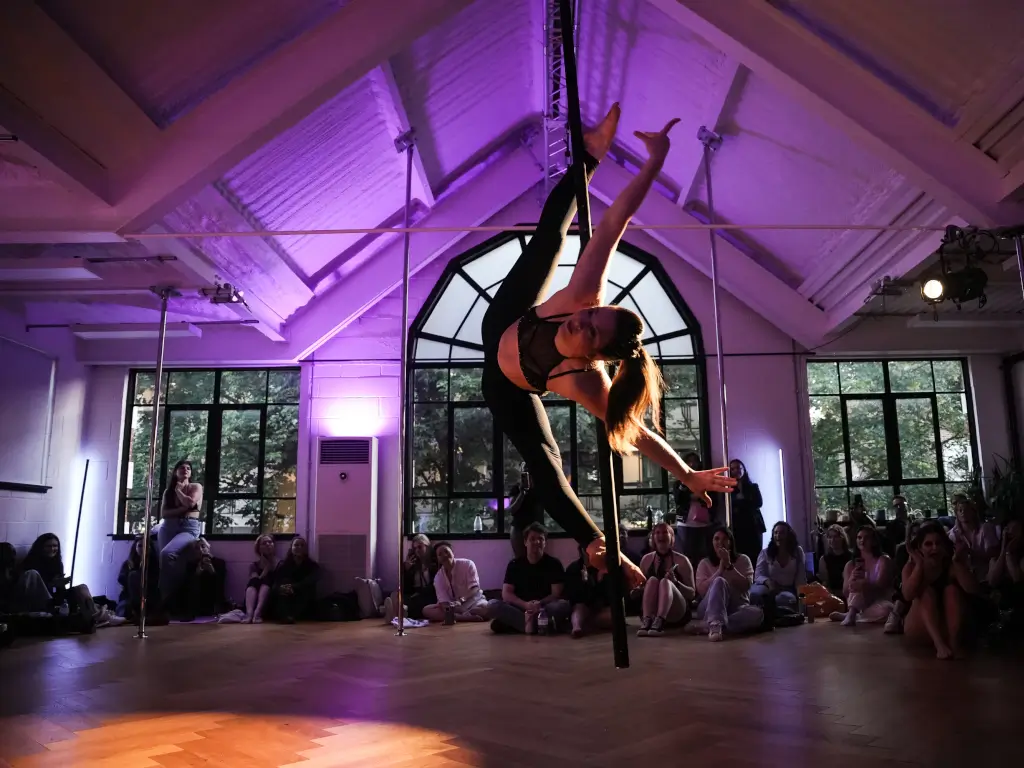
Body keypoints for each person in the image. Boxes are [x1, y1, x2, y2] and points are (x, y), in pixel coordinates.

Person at [479, 104, 735, 587]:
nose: (583, 321)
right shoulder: (582, 297)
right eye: (594, 314)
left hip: (506, 388)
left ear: (595, 357)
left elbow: (637, 433)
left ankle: (595, 543)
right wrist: (655, 160)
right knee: (549, 241)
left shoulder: (585, 381)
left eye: (592, 332)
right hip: (504, 322)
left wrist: (687, 475)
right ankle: (589, 154)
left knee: (546, 465)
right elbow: (617, 219)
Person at [902, 521, 978, 659]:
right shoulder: (911, 567)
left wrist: (957, 562)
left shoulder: (951, 565)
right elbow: (907, 595)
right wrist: (919, 565)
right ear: (920, 548)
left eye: (938, 543)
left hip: (948, 626)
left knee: (952, 591)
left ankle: (953, 644)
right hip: (920, 627)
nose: (934, 548)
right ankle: (939, 644)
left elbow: (972, 589)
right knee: (926, 593)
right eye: (928, 544)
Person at [489, 523, 571, 634]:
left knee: (563, 605)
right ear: (525, 542)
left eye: (540, 539)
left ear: (545, 542)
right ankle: (539, 626)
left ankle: (521, 625)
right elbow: (506, 594)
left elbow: (556, 594)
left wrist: (539, 603)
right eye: (532, 539)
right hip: (521, 608)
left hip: (544, 608)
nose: (536, 542)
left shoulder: (554, 564)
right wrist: (526, 605)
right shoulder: (514, 564)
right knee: (492, 605)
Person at [688, 527, 762, 641]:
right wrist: (720, 571)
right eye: (716, 539)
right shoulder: (704, 563)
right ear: (712, 542)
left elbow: (746, 585)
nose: (720, 542)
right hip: (709, 607)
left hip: (737, 607)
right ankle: (715, 625)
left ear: (731, 542)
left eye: (725, 539)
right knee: (719, 581)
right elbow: (701, 591)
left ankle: (710, 625)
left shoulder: (743, 559)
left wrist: (729, 566)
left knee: (758, 614)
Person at [157, 459, 203, 605]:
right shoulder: (168, 492)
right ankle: (165, 601)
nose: (185, 470)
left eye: (188, 468)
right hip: (168, 527)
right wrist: (183, 509)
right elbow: (164, 513)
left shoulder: (196, 487)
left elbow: (190, 503)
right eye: (182, 468)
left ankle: (169, 599)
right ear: (175, 472)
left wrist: (179, 491)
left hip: (188, 528)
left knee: (167, 553)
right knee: (164, 563)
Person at [635, 522, 695, 636]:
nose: (661, 535)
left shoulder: (682, 561)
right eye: (657, 533)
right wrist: (639, 589)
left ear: (672, 537)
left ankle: (660, 620)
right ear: (653, 538)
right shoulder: (646, 560)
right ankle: (647, 619)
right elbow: (640, 588)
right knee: (652, 580)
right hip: (652, 611)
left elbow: (692, 594)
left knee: (665, 582)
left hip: (676, 612)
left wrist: (676, 582)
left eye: (665, 532)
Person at [830, 526, 894, 626]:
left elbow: (881, 587)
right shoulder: (850, 565)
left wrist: (865, 584)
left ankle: (854, 616)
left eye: (866, 538)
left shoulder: (883, 560)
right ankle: (852, 613)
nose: (862, 541)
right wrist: (852, 579)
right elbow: (845, 592)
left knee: (888, 611)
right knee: (857, 584)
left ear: (874, 541)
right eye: (859, 538)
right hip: (858, 604)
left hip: (878, 601)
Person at [422, 542, 488, 623]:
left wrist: (461, 600)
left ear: (452, 552)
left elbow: (475, 588)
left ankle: (455, 617)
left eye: (446, 551)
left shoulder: (467, 564)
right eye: (440, 554)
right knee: (426, 610)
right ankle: (463, 617)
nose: (444, 555)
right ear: (438, 559)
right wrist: (449, 607)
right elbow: (443, 600)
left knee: (486, 608)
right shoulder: (438, 577)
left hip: (473, 603)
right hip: (454, 608)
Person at [752, 521, 806, 612]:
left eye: (782, 533)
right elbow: (758, 575)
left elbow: (800, 578)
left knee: (785, 599)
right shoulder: (766, 552)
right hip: (768, 587)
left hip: (788, 589)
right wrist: (768, 582)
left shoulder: (797, 552)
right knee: (756, 594)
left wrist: (801, 599)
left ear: (789, 535)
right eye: (776, 533)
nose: (778, 536)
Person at [384, 533, 438, 622]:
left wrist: (421, 592)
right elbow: (405, 587)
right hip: (414, 593)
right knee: (396, 595)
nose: (417, 551)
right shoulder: (413, 563)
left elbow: (436, 584)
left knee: (418, 601)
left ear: (427, 546)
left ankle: (399, 613)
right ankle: (399, 612)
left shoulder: (435, 563)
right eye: (415, 548)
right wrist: (406, 570)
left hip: (428, 593)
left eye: (420, 547)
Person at [884, 518, 924, 634]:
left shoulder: (928, 547)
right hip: (906, 585)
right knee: (904, 582)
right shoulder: (902, 549)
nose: (916, 537)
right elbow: (900, 573)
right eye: (913, 534)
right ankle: (896, 614)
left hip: (924, 583)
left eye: (919, 534)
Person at [564, 546, 611, 638]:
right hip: (582, 604)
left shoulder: (603, 568)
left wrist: (599, 582)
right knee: (579, 609)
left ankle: (589, 623)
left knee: (612, 617)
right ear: (582, 551)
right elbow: (574, 596)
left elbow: (608, 594)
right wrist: (586, 584)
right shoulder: (574, 568)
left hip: (600, 606)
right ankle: (576, 627)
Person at [948, 498, 998, 583]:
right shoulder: (954, 533)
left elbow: (993, 554)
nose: (963, 512)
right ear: (957, 514)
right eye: (960, 510)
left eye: (967, 510)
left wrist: (970, 552)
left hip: (986, 570)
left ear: (973, 512)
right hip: (964, 573)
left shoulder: (985, 528)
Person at [270, 536, 319, 623]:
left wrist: (293, 587)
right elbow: (275, 584)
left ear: (306, 549)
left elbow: (310, 581)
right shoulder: (283, 565)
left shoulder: (313, 565)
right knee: (284, 585)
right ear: (291, 548)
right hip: (287, 597)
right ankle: (286, 616)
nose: (299, 547)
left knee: (306, 589)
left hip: (303, 597)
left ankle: (292, 615)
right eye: (296, 545)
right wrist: (281, 588)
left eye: (302, 545)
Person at [115, 535, 160, 621]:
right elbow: (121, 580)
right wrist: (133, 571)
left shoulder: (155, 563)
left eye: (146, 546)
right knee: (124, 610)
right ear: (135, 548)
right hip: (128, 597)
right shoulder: (128, 563)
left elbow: (155, 581)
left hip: (148, 597)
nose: (143, 549)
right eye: (140, 546)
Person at [729, 459, 765, 564]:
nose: (736, 471)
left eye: (738, 468)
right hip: (738, 527)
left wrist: (741, 502)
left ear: (744, 469)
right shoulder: (728, 489)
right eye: (733, 469)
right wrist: (745, 501)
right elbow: (730, 506)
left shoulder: (753, 487)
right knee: (740, 556)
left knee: (756, 556)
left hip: (754, 525)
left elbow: (759, 503)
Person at [505, 466, 545, 560]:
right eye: (526, 472)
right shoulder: (517, 488)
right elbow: (512, 510)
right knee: (520, 560)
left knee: (537, 559)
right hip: (519, 529)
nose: (529, 474)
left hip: (537, 528)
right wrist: (522, 492)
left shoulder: (541, 487)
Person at [244, 534, 277, 624]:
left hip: (270, 599)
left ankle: (258, 613)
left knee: (267, 582)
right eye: (264, 543)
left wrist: (269, 567)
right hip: (254, 599)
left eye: (270, 542)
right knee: (253, 582)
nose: (268, 544)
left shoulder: (280, 563)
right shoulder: (254, 565)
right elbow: (255, 581)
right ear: (258, 548)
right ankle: (249, 614)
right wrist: (266, 569)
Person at [818, 524, 852, 597]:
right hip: (832, 596)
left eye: (836, 536)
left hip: (850, 595)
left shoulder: (851, 557)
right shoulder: (824, 559)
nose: (832, 540)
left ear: (842, 538)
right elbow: (825, 582)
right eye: (830, 537)